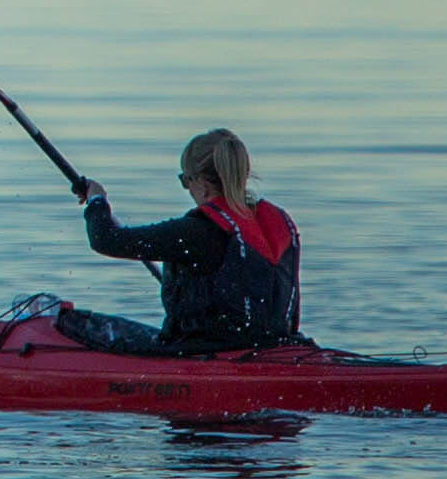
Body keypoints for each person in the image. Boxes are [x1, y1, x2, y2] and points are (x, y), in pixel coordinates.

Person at [56, 129, 303, 355]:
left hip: (205, 352)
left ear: (203, 184)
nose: (187, 189)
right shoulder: (275, 225)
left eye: (185, 180)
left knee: (67, 323)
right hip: (276, 346)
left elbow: (106, 240)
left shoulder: (197, 231)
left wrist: (97, 200)